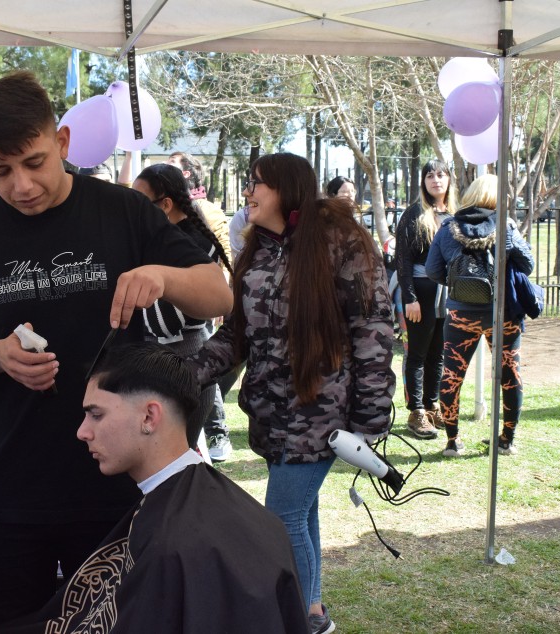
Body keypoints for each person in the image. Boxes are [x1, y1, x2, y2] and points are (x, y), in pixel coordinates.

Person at [0, 70, 233, 629]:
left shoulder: (123, 211)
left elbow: (218, 294)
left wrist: (163, 275)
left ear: (62, 141)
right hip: (7, 490)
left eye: (35, 162)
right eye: (0, 171)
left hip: (115, 483)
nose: (22, 185)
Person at [189, 153, 395, 634]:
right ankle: (313, 613)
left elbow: (373, 329)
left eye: (257, 183)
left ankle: (294, 621)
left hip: (324, 414)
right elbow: (235, 335)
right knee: (301, 512)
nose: (248, 192)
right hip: (272, 413)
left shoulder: (342, 241)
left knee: (281, 518)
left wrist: (370, 416)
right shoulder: (255, 249)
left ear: (287, 187)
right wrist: (182, 373)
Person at [0, 342, 308, 633]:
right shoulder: (207, 508)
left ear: (149, 417)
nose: (82, 432)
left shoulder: (179, 545)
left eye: (96, 415)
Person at [425, 174, 534, 457]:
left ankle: (453, 441)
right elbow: (528, 265)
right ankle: (506, 440)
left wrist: (458, 285)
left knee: (452, 374)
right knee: (510, 372)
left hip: (461, 314)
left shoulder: (448, 228)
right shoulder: (505, 226)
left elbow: (433, 270)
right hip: (502, 313)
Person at [132, 163, 233, 459]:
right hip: (158, 356)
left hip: (186, 357)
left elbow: (167, 321)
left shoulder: (193, 244)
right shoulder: (155, 238)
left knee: (173, 457)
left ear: (165, 205)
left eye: (140, 204)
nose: (133, 212)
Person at [394, 159, 458, 439]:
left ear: (449, 180)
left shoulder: (456, 214)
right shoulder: (414, 214)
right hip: (420, 292)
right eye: (430, 175)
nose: (435, 180)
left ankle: (432, 406)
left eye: (441, 175)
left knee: (439, 353)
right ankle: (416, 411)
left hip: (449, 294)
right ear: (423, 181)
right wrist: (410, 297)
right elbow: (403, 259)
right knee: (417, 353)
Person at [166, 151, 232, 266]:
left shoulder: (209, 211)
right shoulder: (162, 204)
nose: (165, 164)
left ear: (185, 174)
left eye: (172, 161)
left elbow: (225, 253)